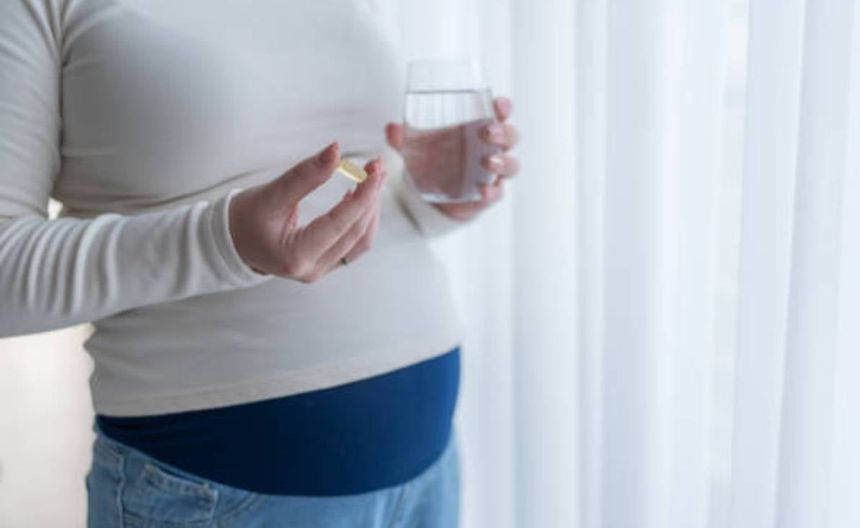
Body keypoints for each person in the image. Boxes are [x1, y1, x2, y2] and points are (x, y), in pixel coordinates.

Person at [0, 1, 519, 526]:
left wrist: (432, 198)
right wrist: (222, 242)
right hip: (216, 483)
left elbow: (354, 182)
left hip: (429, 468)